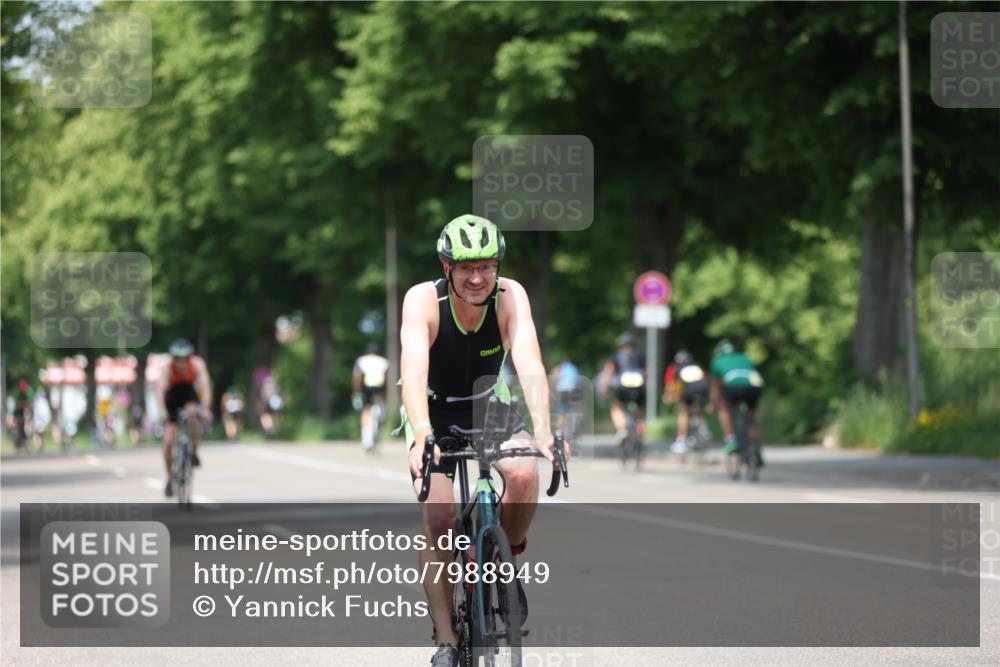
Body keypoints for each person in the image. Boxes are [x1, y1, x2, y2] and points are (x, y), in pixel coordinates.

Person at [400, 214, 567, 667]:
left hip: (487, 402)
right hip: (433, 408)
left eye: (487, 267)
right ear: (446, 267)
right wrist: (420, 434)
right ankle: (446, 642)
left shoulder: (511, 296)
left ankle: (503, 559)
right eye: (466, 268)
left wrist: (545, 430)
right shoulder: (423, 300)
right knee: (438, 518)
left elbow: (530, 365)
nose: (477, 278)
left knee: (524, 470)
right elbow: (412, 373)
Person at [155, 338, 213, 497]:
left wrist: (206, 408)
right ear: (173, 358)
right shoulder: (167, 368)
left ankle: (193, 451)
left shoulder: (198, 364)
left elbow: (205, 386)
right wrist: (162, 412)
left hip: (188, 393)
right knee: (168, 441)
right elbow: (160, 390)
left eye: (184, 359)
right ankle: (169, 479)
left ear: (189, 358)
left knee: (194, 415)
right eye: (177, 359)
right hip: (172, 396)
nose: (181, 363)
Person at [708, 339, 765, 462]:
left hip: (733, 388)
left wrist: (713, 403)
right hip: (754, 388)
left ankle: (730, 440)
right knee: (751, 416)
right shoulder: (744, 357)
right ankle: (757, 448)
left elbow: (716, 387)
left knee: (724, 408)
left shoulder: (717, 361)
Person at [599, 332, 646, 446]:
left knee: (617, 408)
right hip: (639, 388)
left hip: (623, 387)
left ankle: (622, 431)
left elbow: (609, 372)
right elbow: (647, 372)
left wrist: (604, 389)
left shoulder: (616, 355)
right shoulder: (640, 355)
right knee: (639, 412)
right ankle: (640, 429)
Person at [663, 349, 711, 453]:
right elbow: (707, 379)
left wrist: (669, 397)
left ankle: (681, 439)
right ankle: (704, 429)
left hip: (689, 391)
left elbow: (671, 385)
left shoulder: (675, 368)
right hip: (703, 389)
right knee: (698, 409)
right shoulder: (697, 366)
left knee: (684, 412)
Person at [353, 342, 389, 451]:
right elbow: (386, 379)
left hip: (367, 388)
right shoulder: (384, 362)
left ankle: (367, 440)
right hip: (379, 388)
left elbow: (357, 377)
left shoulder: (361, 360)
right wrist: (385, 394)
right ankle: (377, 426)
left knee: (366, 411)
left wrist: (356, 392)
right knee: (379, 409)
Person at [549, 358, 581, 438]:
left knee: (562, 412)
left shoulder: (560, 368)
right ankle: (574, 431)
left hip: (563, 390)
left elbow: (554, 377)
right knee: (575, 410)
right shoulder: (574, 368)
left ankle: (560, 431)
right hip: (573, 391)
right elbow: (577, 380)